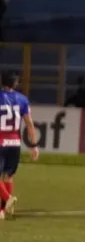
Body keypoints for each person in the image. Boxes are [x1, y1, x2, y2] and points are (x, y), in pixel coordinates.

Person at [0, 71, 39, 219]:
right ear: (15, 83)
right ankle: (2, 211)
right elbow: (29, 124)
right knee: (8, 177)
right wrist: (34, 145)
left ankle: (7, 199)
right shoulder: (22, 99)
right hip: (15, 143)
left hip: (0, 142)